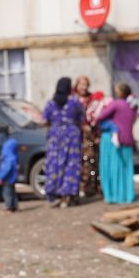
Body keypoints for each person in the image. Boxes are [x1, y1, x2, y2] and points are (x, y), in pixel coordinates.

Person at [41, 76, 84, 207]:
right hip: (72, 134)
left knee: (55, 164)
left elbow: (44, 120)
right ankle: (69, 194)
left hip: (55, 135)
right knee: (71, 164)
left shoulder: (50, 103)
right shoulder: (75, 102)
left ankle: (56, 193)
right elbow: (82, 118)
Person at [98, 82, 139, 205]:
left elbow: (101, 116)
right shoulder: (132, 106)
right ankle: (127, 195)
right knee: (126, 170)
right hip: (128, 140)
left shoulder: (116, 104)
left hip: (115, 141)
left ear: (120, 92)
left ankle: (114, 196)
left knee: (114, 169)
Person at [74, 76, 104, 202]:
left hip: (90, 136)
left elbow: (97, 117)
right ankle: (79, 188)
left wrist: (97, 135)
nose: (84, 87)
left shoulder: (93, 99)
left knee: (91, 161)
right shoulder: (72, 99)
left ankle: (91, 187)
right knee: (79, 162)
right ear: (76, 85)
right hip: (76, 136)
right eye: (81, 84)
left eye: (86, 84)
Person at [0, 131, 21, 212]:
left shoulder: (8, 159)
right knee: (13, 192)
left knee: (7, 193)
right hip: (12, 178)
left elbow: (6, 169)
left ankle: (9, 207)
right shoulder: (14, 157)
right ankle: (15, 206)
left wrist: (0, 177)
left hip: (7, 179)